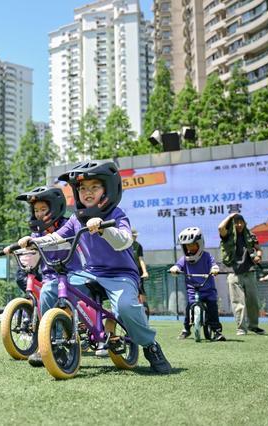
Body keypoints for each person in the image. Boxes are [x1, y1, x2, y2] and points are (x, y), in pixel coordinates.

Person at [17, 160, 171, 374]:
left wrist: (102, 228)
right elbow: (56, 238)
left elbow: (124, 241)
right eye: (82, 188)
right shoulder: (75, 219)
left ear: (107, 190)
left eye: (94, 187)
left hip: (120, 275)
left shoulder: (116, 214)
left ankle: (150, 346)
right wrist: (34, 241)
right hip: (88, 274)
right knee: (50, 289)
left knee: (126, 307)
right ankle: (55, 342)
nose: (87, 192)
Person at [10, 185, 84, 365]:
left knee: (63, 299)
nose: (39, 214)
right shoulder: (37, 232)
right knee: (45, 295)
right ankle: (50, 344)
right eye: (36, 210)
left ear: (55, 207)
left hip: (73, 274)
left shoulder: (69, 224)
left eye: (43, 209)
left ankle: (59, 340)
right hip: (51, 276)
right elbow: (31, 249)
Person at [169, 227, 226, 341]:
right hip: (193, 290)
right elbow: (177, 266)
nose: (189, 248)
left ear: (200, 244)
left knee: (212, 308)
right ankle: (186, 329)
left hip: (208, 290)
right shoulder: (184, 259)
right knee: (189, 307)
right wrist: (174, 269)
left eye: (192, 244)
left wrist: (214, 269)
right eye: (187, 245)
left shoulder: (206, 256)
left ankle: (216, 331)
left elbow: (213, 264)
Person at [219, 213, 265, 336]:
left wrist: (258, 256)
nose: (239, 224)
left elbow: (258, 248)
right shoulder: (227, 235)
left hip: (249, 272)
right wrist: (231, 216)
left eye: (241, 222)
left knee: (253, 302)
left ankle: (253, 326)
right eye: (236, 222)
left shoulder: (250, 235)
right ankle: (241, 328)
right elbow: (220, 228)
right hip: (234, 273)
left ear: (244, 223)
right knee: (238, 303)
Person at [131, 228, 150, 318]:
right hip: (128, 272)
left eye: (135, 235)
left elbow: (141, 260)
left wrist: (145, 272)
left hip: (138, 272)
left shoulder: (138, 246)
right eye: (133, 235)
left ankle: (145, 310)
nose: (135, 237)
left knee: (140, 290)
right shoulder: (123, 245)